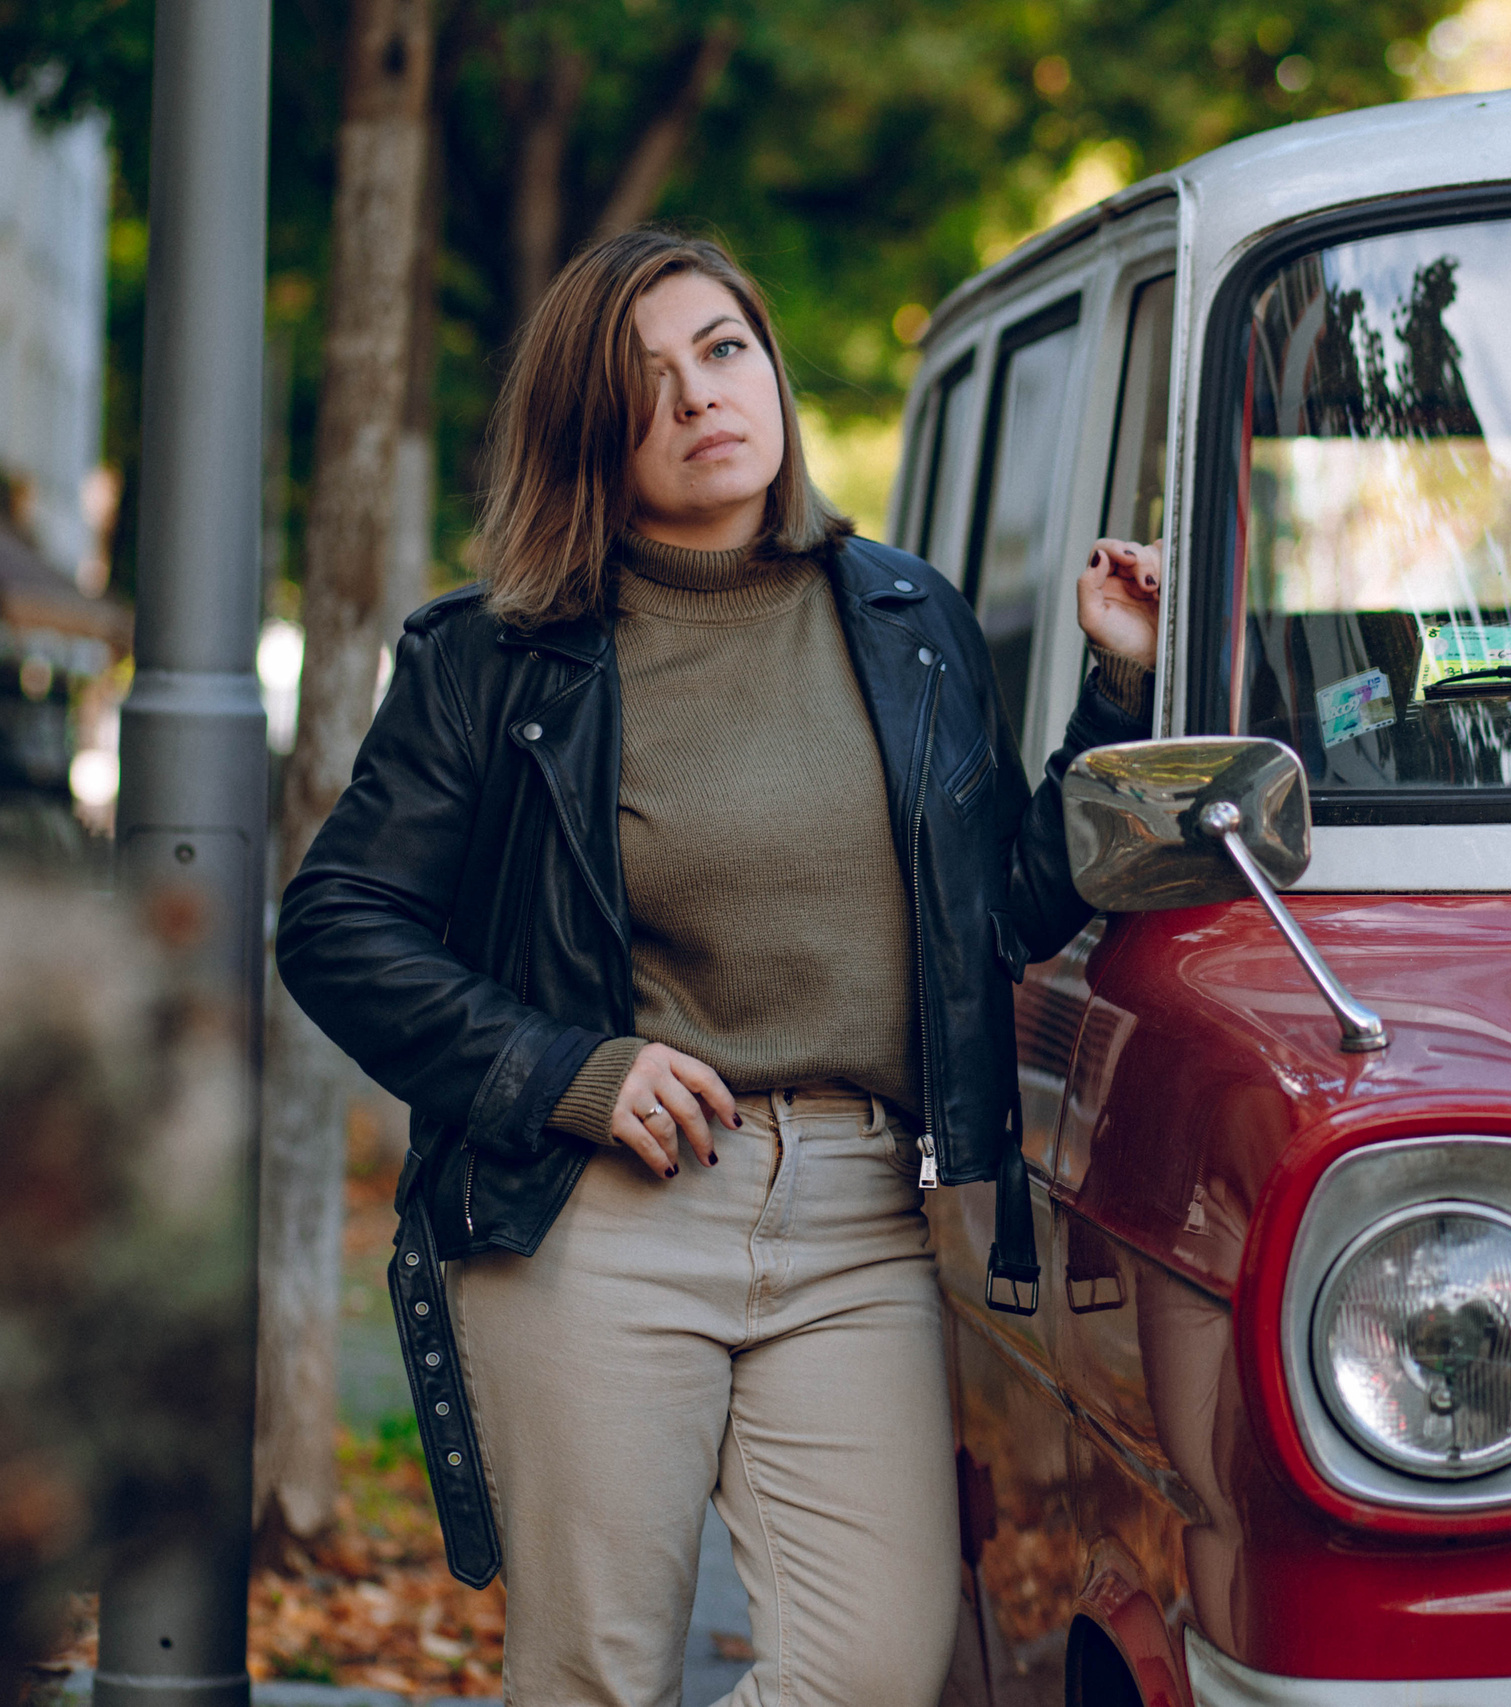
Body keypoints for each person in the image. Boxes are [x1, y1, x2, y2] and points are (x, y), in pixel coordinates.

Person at [275, 229, 1160, 1706]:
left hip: (860, 1217)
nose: (698, 397)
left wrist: (1118, 684)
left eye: (723, 349)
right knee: (596, 1678)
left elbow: (996, 913)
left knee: (874, 1669)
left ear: (770, 370)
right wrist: (565, 1071)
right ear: (590, 434)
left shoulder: (910, 620)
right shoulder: (496, 660)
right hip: (601, 1219)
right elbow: (336, 923)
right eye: (646, 382)